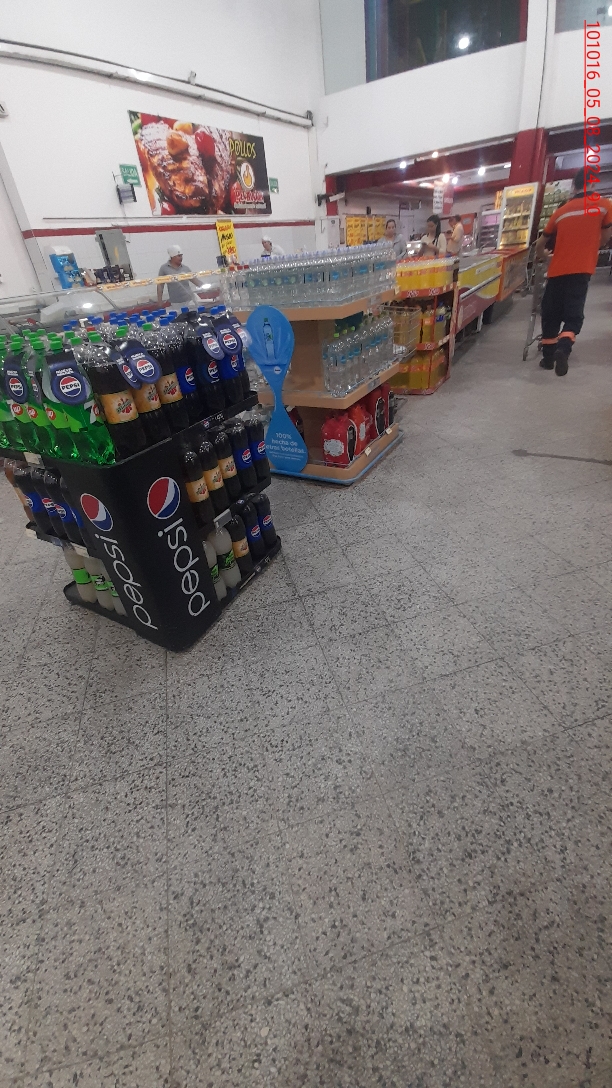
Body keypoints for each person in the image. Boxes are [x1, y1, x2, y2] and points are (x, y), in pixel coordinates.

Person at [535, 167, 612, 376]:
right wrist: (591, 247)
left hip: (556, 270)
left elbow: (540, 244)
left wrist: (545, 256)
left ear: (573, 185)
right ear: (593, 183)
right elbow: (606, 236)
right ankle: (563, 348)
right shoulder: (604, 206)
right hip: (581, 270)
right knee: (573, 315)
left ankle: (548, 359)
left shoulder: (561, 211)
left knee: (550, 315)